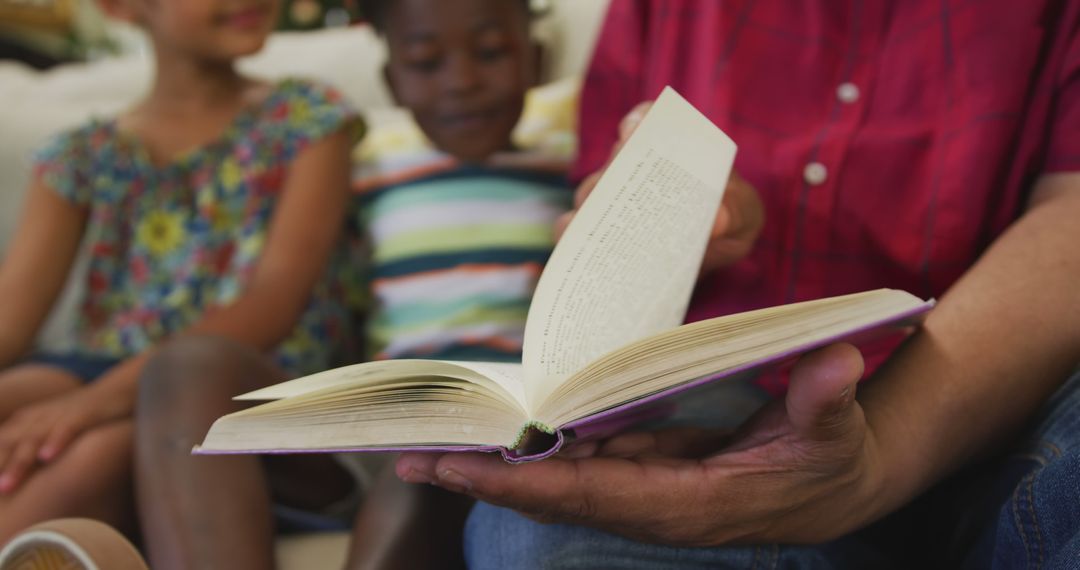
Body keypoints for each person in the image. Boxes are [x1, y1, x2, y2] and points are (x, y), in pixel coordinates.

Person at [396, 1, 1080, 568]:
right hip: (706, 384)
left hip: (1007, 381)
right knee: (545, 537)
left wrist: (881, 459)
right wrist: (675, 226)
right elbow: (613, 182)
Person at [133, 0, 574, 568]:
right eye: (424, 61)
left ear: (536, 62)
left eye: (491, 54)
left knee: (430, 457)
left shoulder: (571, 174)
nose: (461, 82)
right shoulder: (369, 175)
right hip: (370, 428)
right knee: (188, 364)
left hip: (499, 435)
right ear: (392, 81)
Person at [0, 0, 359, 545]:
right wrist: (79, 398)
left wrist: (88, 406)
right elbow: (10, 323)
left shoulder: (307, 119)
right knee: (22, 390)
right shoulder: (81, 154)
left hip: (236, 384)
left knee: (106, 445)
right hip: (100, 363)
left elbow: (272, 303)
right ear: (119, 6)